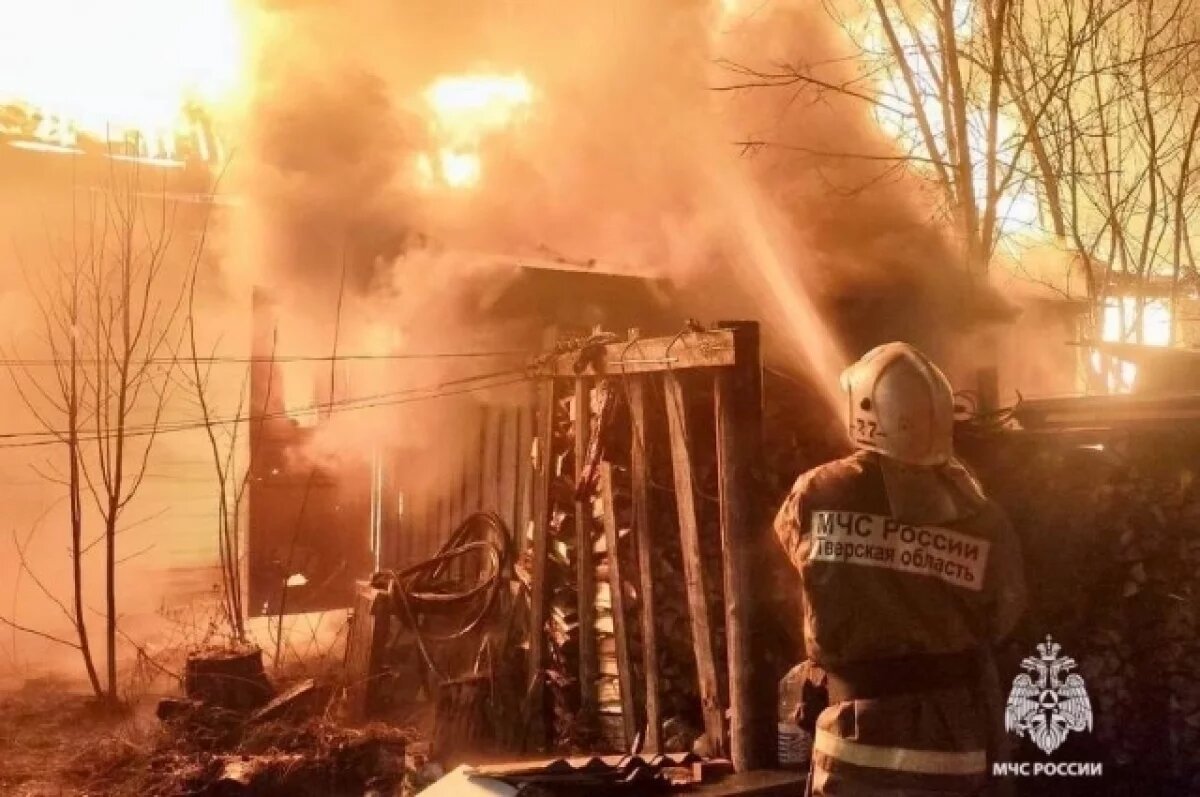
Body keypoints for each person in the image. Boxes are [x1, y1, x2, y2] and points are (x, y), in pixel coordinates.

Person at [773, 342, 1026, 796]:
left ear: (864, 407)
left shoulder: (820, 491)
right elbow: (1003, 615)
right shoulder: (980, 513)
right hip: (955, 737)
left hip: (853, 737)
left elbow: (796, 553)